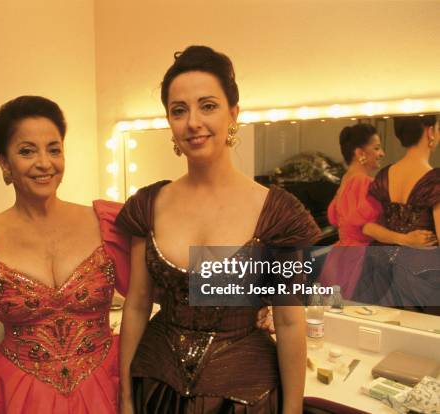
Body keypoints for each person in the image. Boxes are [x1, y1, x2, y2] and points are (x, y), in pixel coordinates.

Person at [117, 46, 321, 414]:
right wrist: (126, 397)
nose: (192, 122)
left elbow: (289, 322)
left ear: (234, 113)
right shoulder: (148, 206)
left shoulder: (277, 215)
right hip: (157, 390)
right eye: (179, 111)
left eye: (207, 106)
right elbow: (136, 306)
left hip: (244, 398)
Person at [0, 96, 131, 413]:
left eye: (54, 149)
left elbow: (163, 286)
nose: (44, 163)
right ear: (5, 162)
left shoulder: (107, 223)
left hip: (107, 386)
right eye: (27, 151)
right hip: (20, 395)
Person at [318, 124, 436, 299]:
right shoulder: (363, 183)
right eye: (377, 148)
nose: (382, 153)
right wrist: (406, 239)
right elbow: (368, 228)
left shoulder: (346, 180)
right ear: (360, 153)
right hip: (360, 261)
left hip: (340, 258)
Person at [353, 114, 440, 311]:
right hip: (421, 274)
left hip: (381, 266)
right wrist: (409, 240)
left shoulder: (384, 175)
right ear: (430, 132)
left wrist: (401, 238)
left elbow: (367, 226)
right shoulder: (436, 180)